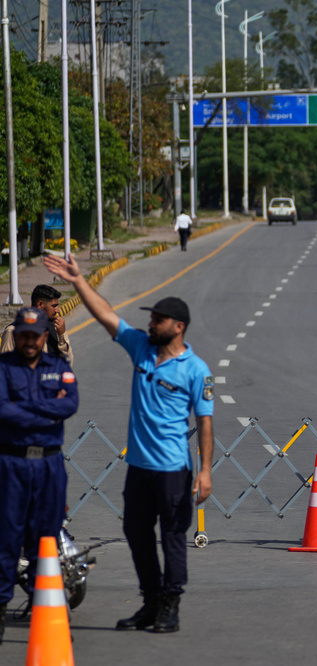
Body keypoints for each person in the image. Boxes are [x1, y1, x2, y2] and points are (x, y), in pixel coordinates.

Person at [43, 253, 213, 634]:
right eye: (150, 318)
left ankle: (171, 606)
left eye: (158, 319)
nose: (150, 323)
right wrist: (78, 281)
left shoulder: (196, 370)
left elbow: (205, 423)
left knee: (172, 539)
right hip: (138, 467)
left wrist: (204, 471)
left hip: (172, 471)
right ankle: (151, 603)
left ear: (178, 326)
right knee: (137, 535)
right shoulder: (141, 347)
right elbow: (106, 315)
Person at [0, 307, 79, 645]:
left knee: (46, 541)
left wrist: (24, 409)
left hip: (49, 466)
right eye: (24, 335)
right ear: (16, 335)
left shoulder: (59, 368)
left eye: (36, 335)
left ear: (45, 336)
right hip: (12, 464)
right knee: (6, 539)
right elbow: (2, 409)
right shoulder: (2, 368)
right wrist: (45, 411)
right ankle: (1, 608)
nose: (29, 341)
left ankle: (46, 612)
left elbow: (70, 404)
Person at [0, 284, 73, 366]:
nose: (57, 310)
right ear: (40, 304)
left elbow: (68, 364)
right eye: (54, 306)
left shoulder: (53, 328)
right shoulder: (13, 331)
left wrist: (62, 335)